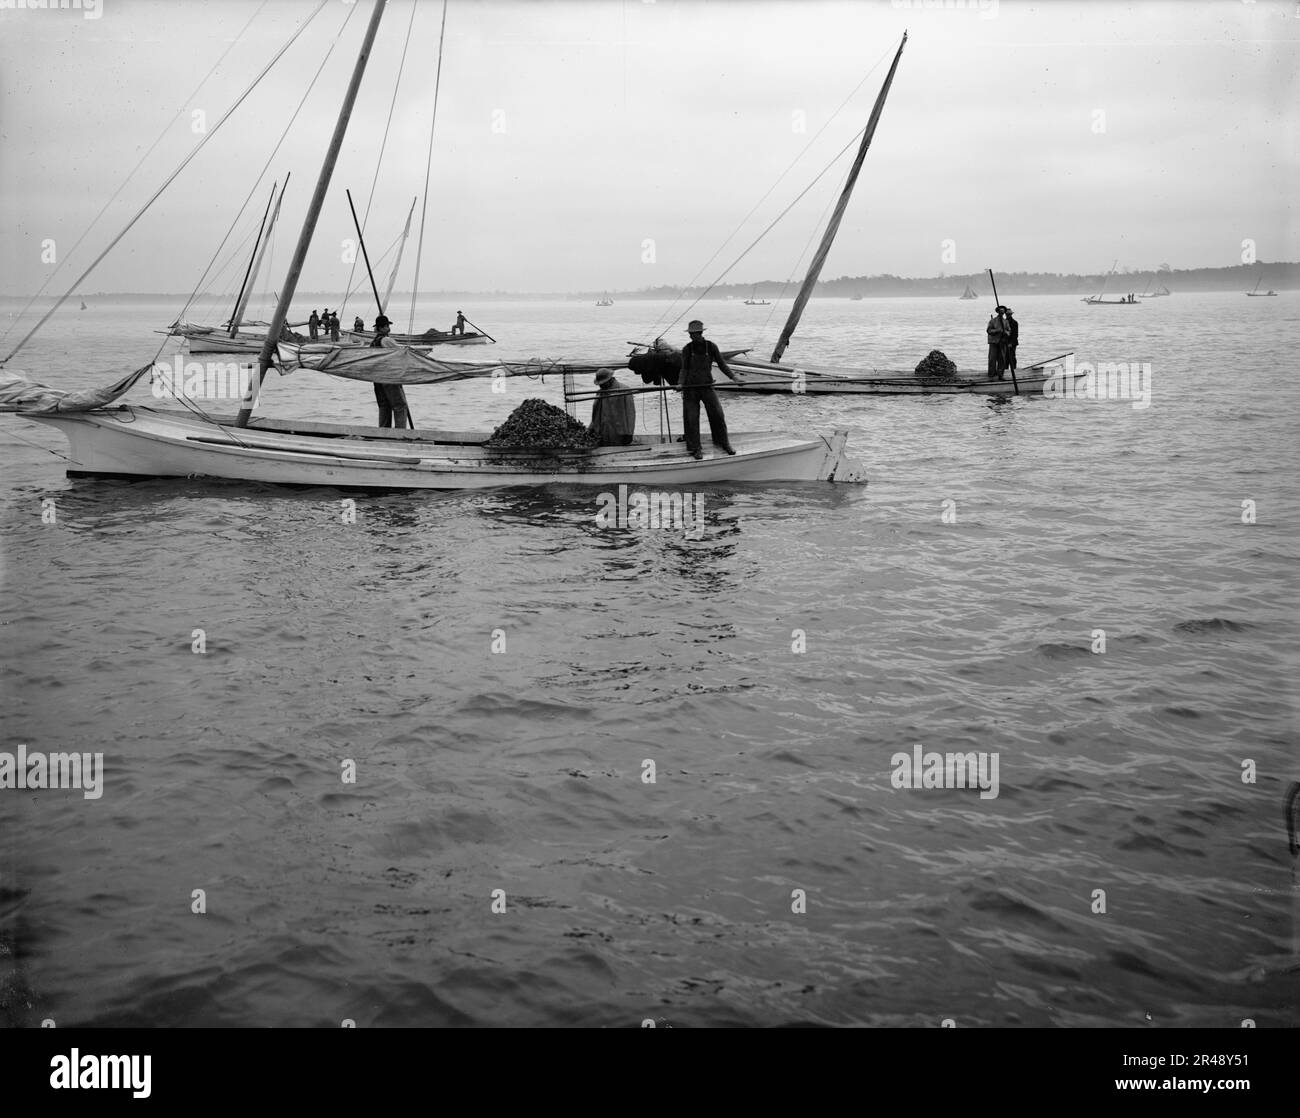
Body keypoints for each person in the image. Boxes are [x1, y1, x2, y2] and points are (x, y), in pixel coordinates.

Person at [676, 320, 738, 458]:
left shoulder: (711, 347)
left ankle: (723, 442)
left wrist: (734, 378)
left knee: (717, 414)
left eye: (694, 334)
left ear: (701, 333)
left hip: (707, 387)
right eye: (690, 334)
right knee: (691, 418)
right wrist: (680, 383)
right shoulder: (687, 349)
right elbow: (684, 369)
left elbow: (722, 365)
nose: (691, 337)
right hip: (690, 389)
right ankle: (695, 448)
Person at [590, 368, 635, 446]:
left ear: (610, 380)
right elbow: (596, 415)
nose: (601, 386)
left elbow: (630, 413)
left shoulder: (624, 390)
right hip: (603, 431)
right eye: (600, 384)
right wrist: (591, 429)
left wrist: (629, 433)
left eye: (603, 383)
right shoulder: (600, 393)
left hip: (619, 432)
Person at [986, 307, 1007, 379]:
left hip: (1002, 343)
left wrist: (1006, 332)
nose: (1002, 313)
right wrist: (997, 330)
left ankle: (1000, 375)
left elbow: (1009, 330)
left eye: (1003, 312)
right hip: (994, 342)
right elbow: (988, 330)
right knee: (992, 359)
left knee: (1002, 359)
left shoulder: (1005, 321)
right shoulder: (993, 321)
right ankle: (991, 375)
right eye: (1001, 311)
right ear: (998, 312)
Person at [1000, 306, 1018, 377]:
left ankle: (1014, 370)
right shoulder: (1003, 322)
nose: (1008, 315)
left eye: (1009, 314)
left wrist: (1011, 343)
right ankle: (1006, 371)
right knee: (1005, 358)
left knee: (1012, 357)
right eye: (1007, 314)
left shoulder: (1014, 322)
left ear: (1011, 315)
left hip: (1012, 343)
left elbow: (1015, 335)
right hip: (1005, 343)